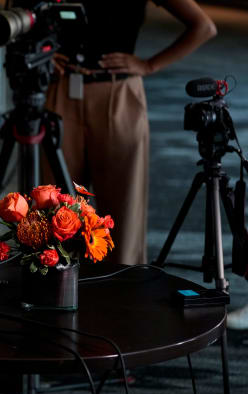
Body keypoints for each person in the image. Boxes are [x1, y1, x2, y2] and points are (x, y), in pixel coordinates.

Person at [42, 0, 216, 265]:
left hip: (118, 93)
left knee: (123, 212)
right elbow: (21, 19)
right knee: (54, 210)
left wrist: (149, 65)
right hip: (61, 91)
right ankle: (53, 293)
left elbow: (203, 27)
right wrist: (43, 53)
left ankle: (122, 294)